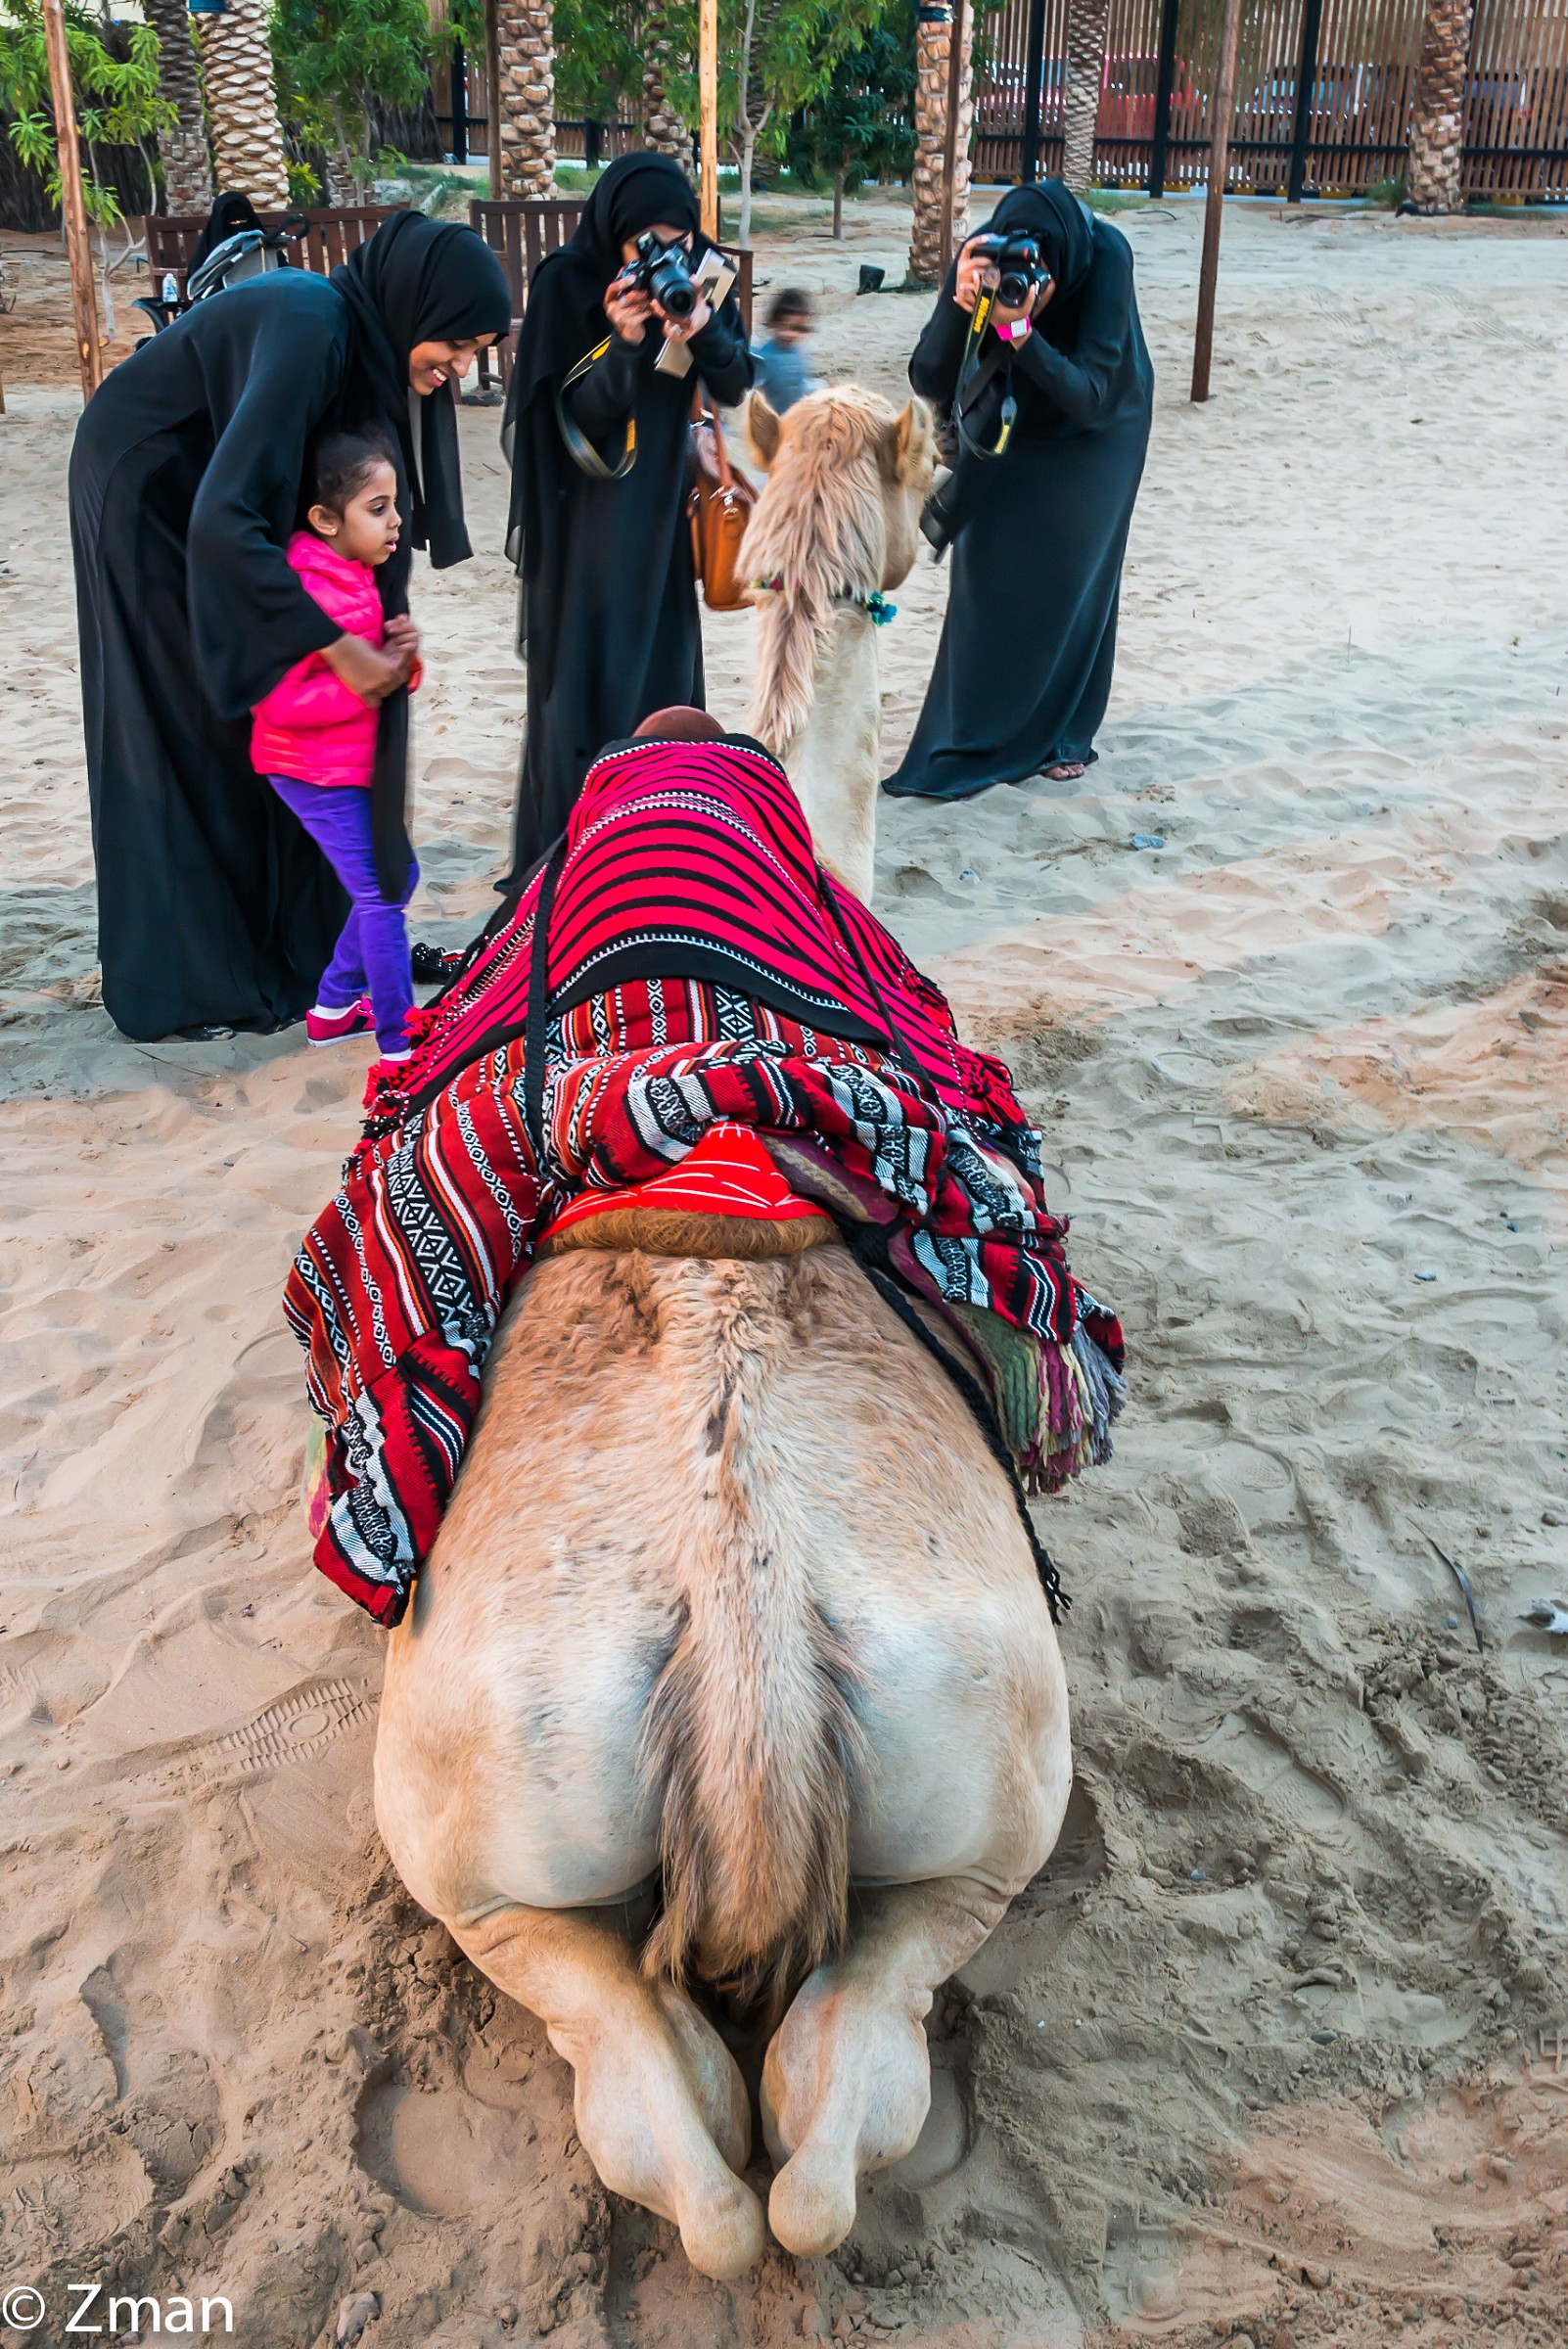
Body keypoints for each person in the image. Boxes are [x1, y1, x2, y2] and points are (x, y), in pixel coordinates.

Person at [285, 714, 1125, 1625]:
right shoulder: (783, 866)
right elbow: (894, 992)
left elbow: (491, 985)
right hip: (786, 1037)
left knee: (406, 1193)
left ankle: (379, 1451)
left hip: (588, 1054)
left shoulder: (571, 869)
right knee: (962, 1142)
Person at [69, 210, 510, 1040]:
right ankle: (192, 982)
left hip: (211, 492)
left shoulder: (364, 349)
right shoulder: (315, 324)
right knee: (187, 720)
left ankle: (304, 942)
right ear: (417, 309)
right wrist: (339, 647)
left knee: (264, 717)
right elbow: (224, 515)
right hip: (148, 485)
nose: (459, 369)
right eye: (455, 343)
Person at [500, 152, 753, 884]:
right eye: (645, 244)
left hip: (660, 527)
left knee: (661, 677)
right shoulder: (566, 283)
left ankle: (657, 847)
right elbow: (572, 422)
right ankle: (572, 855)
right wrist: (622, 342)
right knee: (584, 684)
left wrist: (701, 327)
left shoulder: (702, 274)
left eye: (676, 240)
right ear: (612, 230)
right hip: (582, 526)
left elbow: (735, 383)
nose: (662, 258)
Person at [882, 180, 1153, 803]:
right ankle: (972, 732)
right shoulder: (983, 257)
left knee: (1069, 577)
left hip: (1099, 431)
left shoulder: (1105, 254)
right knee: (988, 565)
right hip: (1012, 412)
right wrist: (960, 302)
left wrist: (1023, 333)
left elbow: (1087, 395)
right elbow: (929, 375)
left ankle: (1060, 737)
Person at [251, 431, 422, 1070]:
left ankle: (330, 1010)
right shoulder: (311, 588)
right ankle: (400, 1043)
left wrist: (400, 664)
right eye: (376, 508)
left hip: (349, 767)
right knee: (384, 893)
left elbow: (374, 673)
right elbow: (277, 703)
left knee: (398, 878)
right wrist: (371, 683)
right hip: (309, 771)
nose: (396, 519)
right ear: (325, 519)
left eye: (394, 504)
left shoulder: (352, 576)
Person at [751, 286, 817, 414]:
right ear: (772, 324)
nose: (788, 333)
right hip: (775, 422)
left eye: (797, 328)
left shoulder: (798, 352)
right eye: (782, 326)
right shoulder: (765, 357)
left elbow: (801, 384)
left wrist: (819, 390)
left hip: (798, 418)